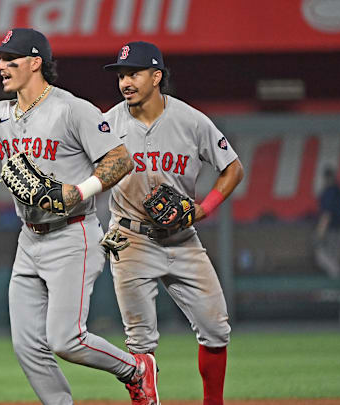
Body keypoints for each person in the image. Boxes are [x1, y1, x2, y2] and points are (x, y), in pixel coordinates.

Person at [0, 29, 159, 405]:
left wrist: (79, 190)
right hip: (29, 238)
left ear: (36, 63)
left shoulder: (72, 109)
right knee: (27, 346)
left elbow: (120, 159)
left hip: (73, 235)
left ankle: (136, 369)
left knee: (66, 340)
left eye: (10, 59)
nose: (1, 66)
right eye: (0, 59)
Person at [102, 41, 244, 405]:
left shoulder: (191, 120)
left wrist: (204, 209)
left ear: (156, 76)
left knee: (215, 329)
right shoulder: (108, 124)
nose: (125, 82)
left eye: (133, 73)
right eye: (121, 75)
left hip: (182, 238)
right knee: (140, 342)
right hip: (130, 239)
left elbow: (233, 168)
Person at [314, 167, 340, 279]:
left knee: (321, 254)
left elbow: (327, 213)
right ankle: (336, 280)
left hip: (330, 228)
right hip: (339, 227)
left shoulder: (329, 191)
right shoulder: (339, 190)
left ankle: (336, 275)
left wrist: (320, 230)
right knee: (334, 255)